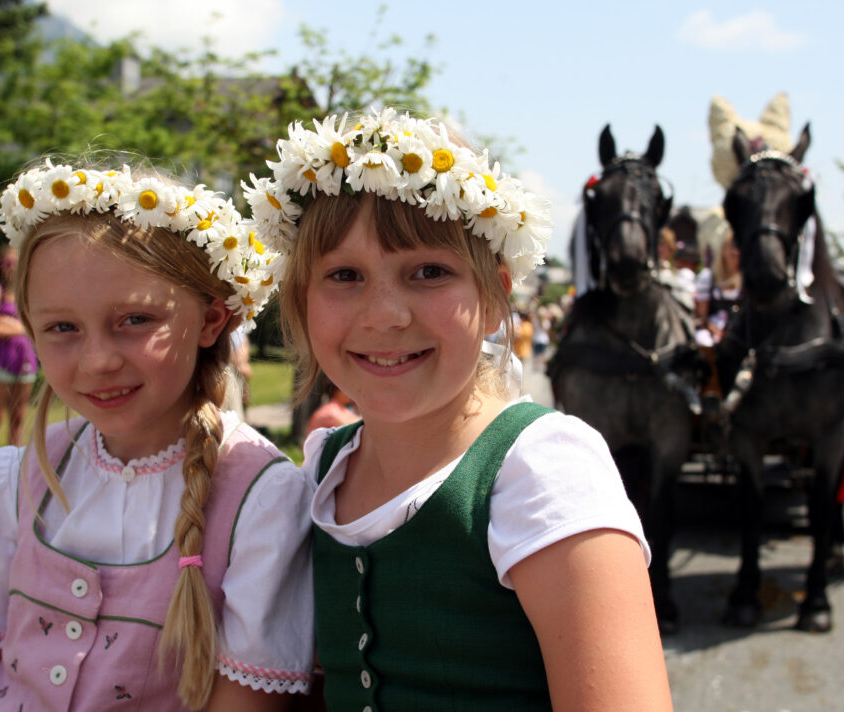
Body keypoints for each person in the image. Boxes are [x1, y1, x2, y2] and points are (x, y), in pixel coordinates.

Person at [246, 108, 673, 710]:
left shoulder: (542, 474)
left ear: (494, 295)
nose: (385, 314)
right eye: (345, 274)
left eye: (429, 271)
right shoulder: (322, 469)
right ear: (301, 298)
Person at [0, 160, 314, 711]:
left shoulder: (259, 497)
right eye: (62, 328)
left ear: (211, 320)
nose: (98, 360)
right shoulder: (11, 483)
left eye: (134, 320)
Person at [0, 245, 38, 454]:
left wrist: (11, 325)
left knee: (19, 416)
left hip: (25, 358)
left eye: (16, 263)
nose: (12, 268)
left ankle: (15, 462)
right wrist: (21, 328)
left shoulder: (28, 290)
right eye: (7, 263)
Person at [695, 233, 741, 348]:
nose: (735, 252)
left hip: (739, 334)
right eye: (732, 247)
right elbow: (702, 317)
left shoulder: (748, 280)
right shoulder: (709, 277)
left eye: (739, 247)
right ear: (723, 250)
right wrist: (717, 332)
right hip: (712, 333)